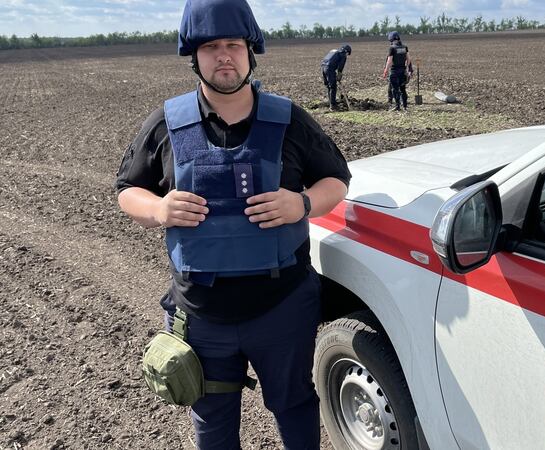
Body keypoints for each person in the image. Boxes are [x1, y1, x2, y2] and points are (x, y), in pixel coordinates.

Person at [115, 0, 350, 448]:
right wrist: (159, 210)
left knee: (296, 407)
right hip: (200, 314)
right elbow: (127, 189)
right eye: (210, 46)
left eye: (233, 44)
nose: (223, 55)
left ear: (249, 51)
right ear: (194, 56)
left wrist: (301, 203)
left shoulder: (289, 119)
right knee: (212, 425)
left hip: (282, 307)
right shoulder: (167, 123)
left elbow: (337, 179)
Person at [382, 31, 413, 111]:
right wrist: (407, 68)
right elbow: (409, 59)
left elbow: (389, 61)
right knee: (403, 88)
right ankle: (405, 106)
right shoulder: (404, 47)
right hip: (402, 71)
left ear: (391, 39)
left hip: (394, 71)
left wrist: (385, 70)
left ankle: (397, 106)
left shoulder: (392, 48)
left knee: (395, 89)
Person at [320, 44, 351, 111]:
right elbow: (341, 66)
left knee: (329, 86)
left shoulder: (333, 51)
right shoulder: (342, 54)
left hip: (323, 67)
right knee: (333, 87)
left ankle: (331, 102)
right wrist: (339, 74)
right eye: (347, 54)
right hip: (329, 68)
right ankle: (333, 106)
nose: (347, 55)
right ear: (346, 51)